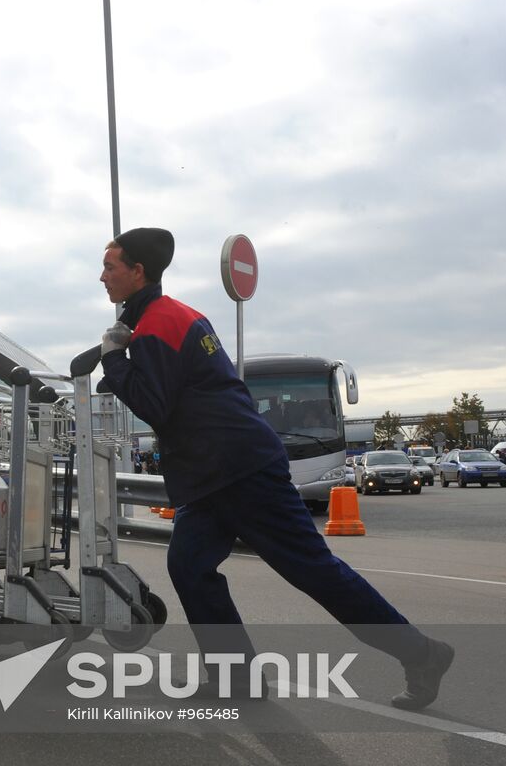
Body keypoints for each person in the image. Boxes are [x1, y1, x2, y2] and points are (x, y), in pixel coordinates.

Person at [96, 227, 452, 709]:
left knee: (313, 571)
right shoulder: (178, 316)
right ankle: (237, 678)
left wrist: (114, 358)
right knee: (189, 566)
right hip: (211, 474)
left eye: (111, 266)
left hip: (239, 470)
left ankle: (422, 654)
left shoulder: (159, 325)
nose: (103, 276)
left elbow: (153, 404)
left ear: (138, 272)